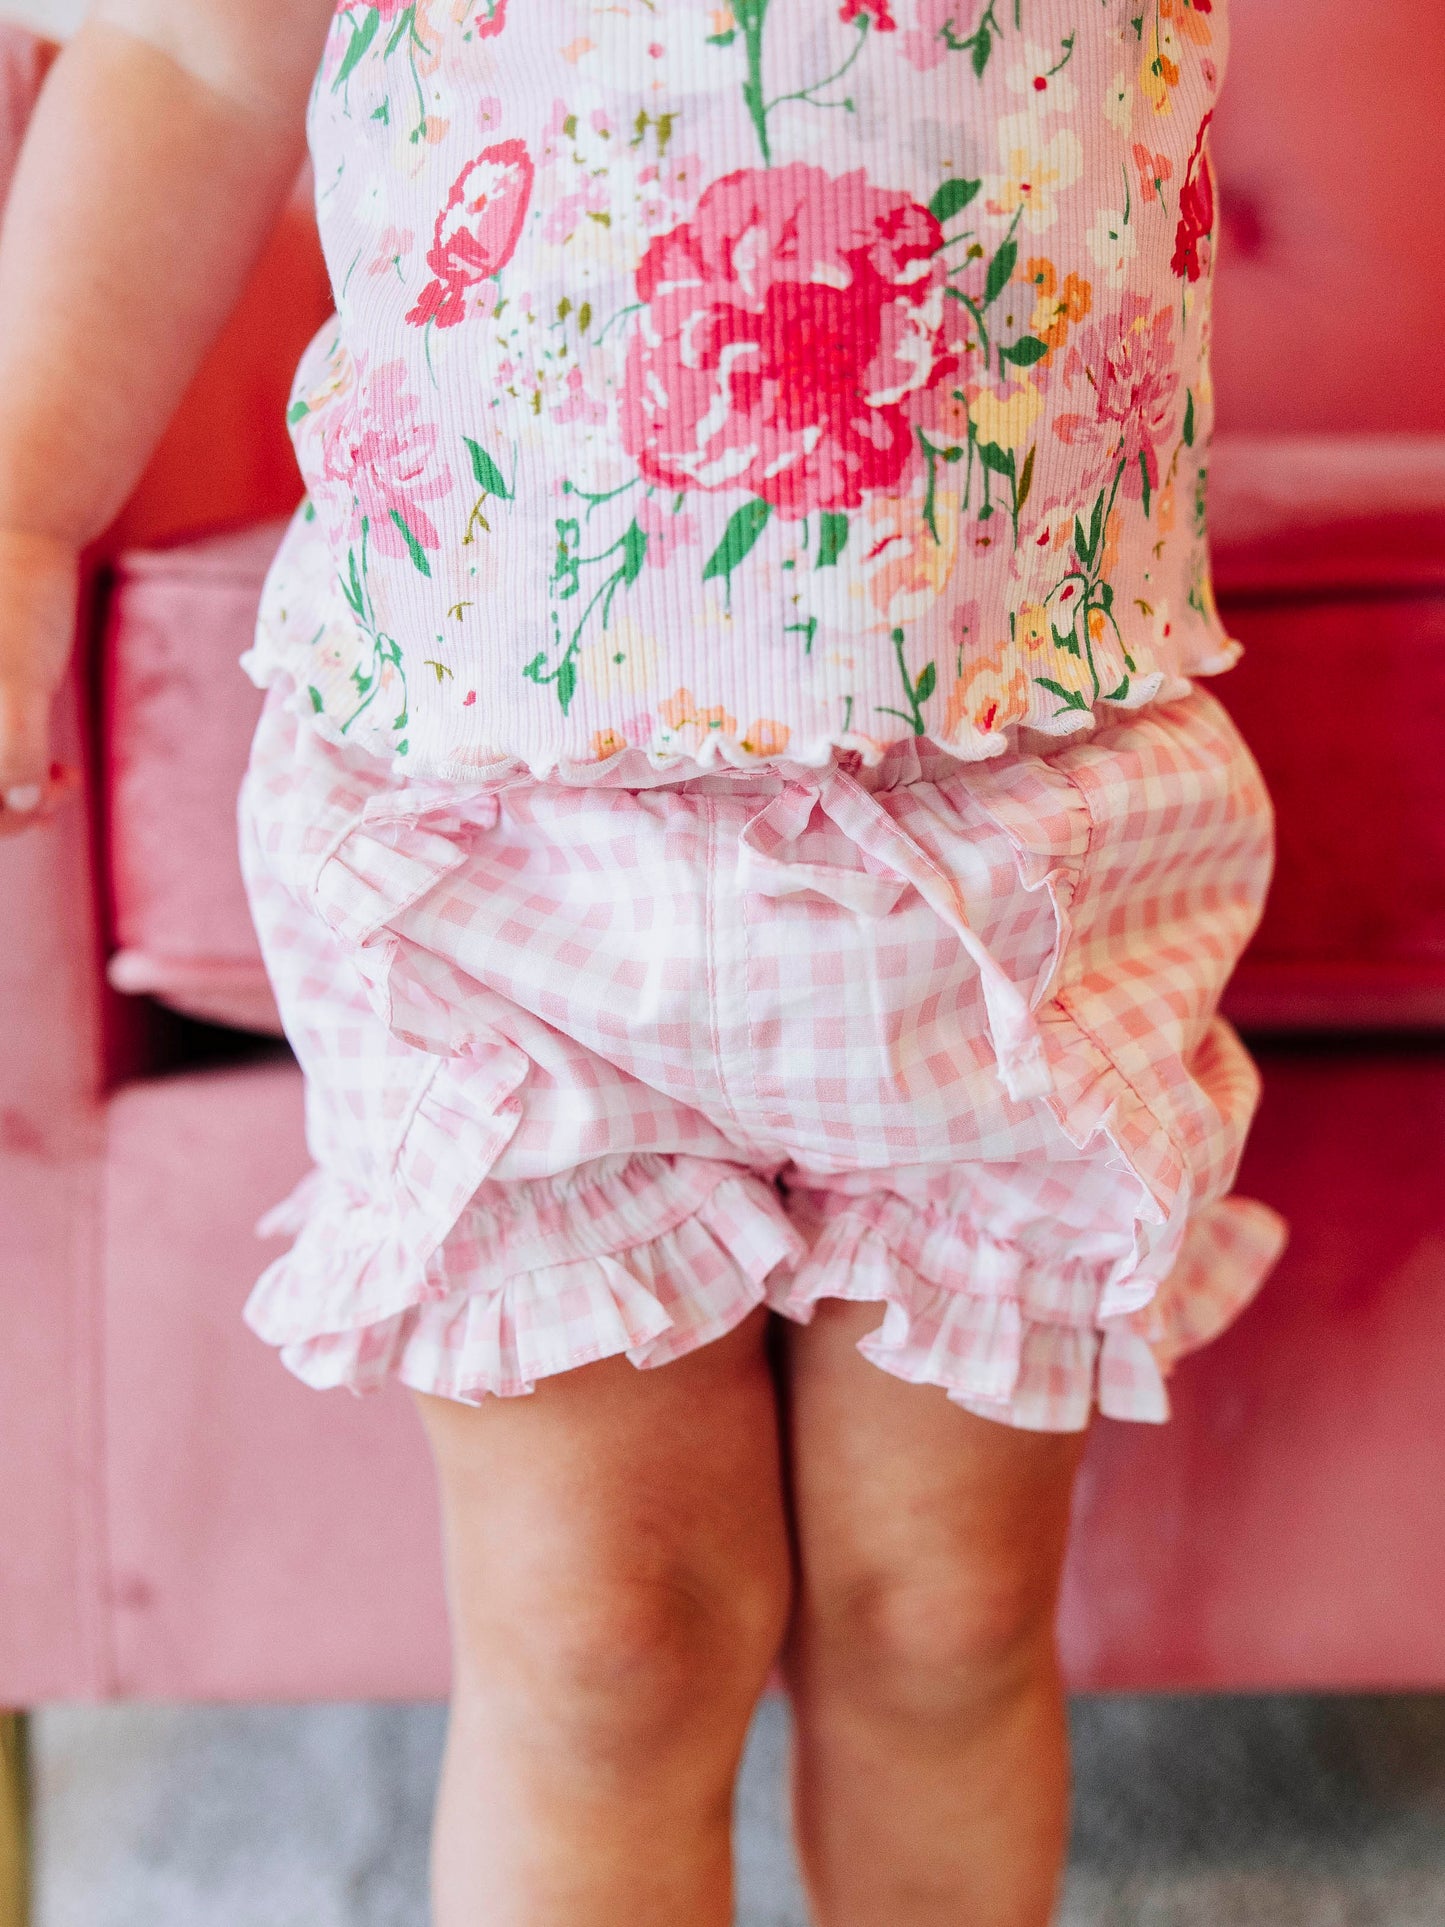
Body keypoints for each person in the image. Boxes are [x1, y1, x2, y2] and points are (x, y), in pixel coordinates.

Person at [0, 1, 1285, 1920]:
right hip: (498, 834)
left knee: (938, 1620)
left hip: (1015, 827)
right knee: (606, 1644)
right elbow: (192, 60)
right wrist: (19, 507)